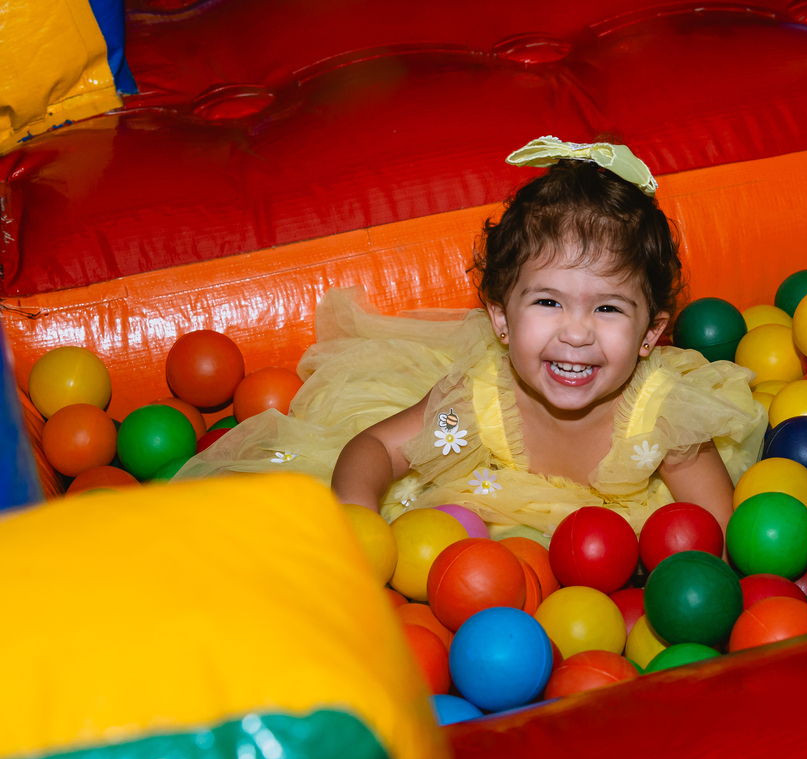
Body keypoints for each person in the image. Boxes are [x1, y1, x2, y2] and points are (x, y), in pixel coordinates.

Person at [178, 136, 766, 542]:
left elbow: (713, 524)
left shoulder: (665, 416)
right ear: (501, 319)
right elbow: (376, 450)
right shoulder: (479, 401)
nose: (577, 332)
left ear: (650, 334)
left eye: (609, 308)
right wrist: (358, 523)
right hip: (482, 554)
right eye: (547, 302)